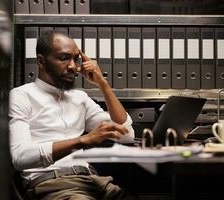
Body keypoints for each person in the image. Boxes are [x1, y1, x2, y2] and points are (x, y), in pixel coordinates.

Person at [9, 31, 135, 200]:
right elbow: (20, 157)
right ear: (41, 61)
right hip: (53, 183)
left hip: (94, 180)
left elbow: (126, 135)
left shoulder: (80, 98)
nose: (73, 67)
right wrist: (83, 140)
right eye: (63, 58)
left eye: (76, 59)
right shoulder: (21, 96)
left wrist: (102, 84)